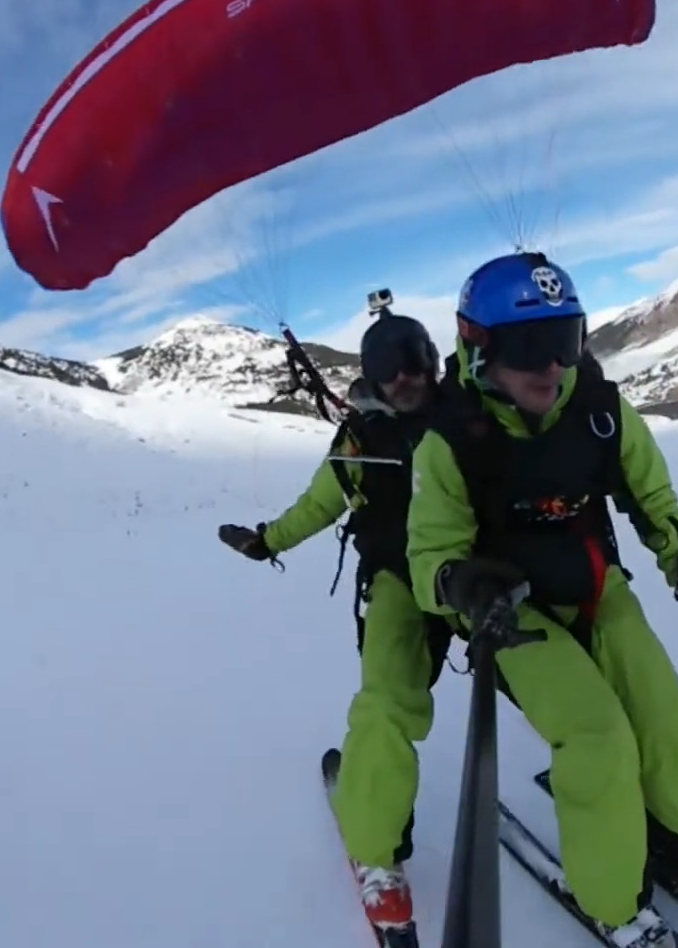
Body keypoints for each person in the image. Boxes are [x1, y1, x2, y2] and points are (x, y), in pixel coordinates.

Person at [404, 252, 678, 948]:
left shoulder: (600, 412)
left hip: (596, 589)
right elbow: (429, 557)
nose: (552, 366)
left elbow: (651, 495)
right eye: (529, 347)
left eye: (565, 341)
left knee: (668, 722)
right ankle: (615, 904)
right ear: (478, 348)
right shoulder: (450, 442)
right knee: (598, 740)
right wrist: (461, 585)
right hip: (515, 618)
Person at [216, 305, 450, 939]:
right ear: (371, 375)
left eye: (415, 361)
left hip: (483, 576)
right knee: (386, 704)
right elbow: (322, 501)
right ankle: (378, 850)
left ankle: (625, 802)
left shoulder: (467, 414)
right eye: (388, 367)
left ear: (432, 361)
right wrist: (269, 540)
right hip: (400, 583)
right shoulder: (358, 441)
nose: (405, 378)